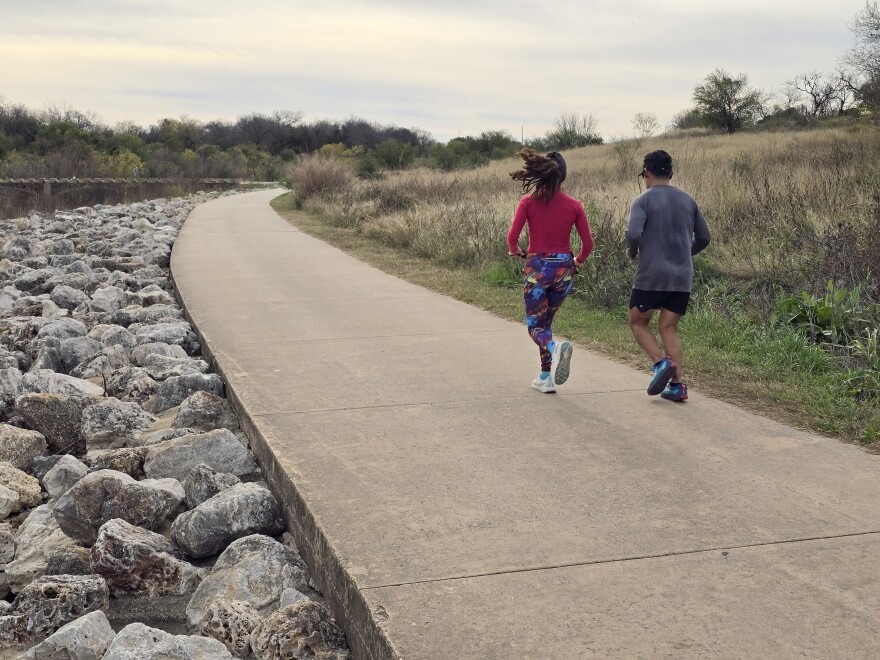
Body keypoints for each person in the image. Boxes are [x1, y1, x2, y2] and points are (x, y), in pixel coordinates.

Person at [625, 150, 710, 402]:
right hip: (681, 277)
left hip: (652, 275)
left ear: (646, 173)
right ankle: (677, 386)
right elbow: (704, 238)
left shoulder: (643, 200)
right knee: (668, 328)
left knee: (637, 321)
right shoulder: (688, 201)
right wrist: (686, 253)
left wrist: (632, 253)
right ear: (671, 174)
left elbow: (633, 234)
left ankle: (660, 363)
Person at [507, 149, 593, 393]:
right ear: (562, 176)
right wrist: (577, 262)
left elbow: (512, 237)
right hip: (564, 270)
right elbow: (588, 245)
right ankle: (545, 377)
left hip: (538, 270)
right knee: (546, 323)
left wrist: (514, 250)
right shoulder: (574, 205)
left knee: (535, 326)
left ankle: (555, 349)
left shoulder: (528, 202)